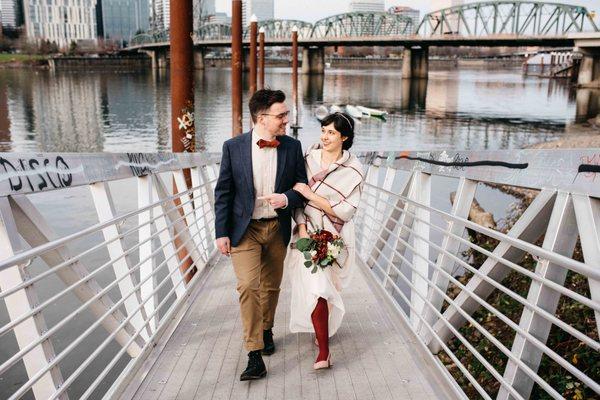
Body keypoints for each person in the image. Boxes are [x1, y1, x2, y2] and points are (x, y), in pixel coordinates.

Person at [214, 89, 308, 381]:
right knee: (247, 286)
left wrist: (287, 198)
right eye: (281, 115)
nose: (286, 120)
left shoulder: (292, 146)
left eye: (286, 115)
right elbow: (224, 192)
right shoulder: (233, 147)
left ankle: (267, 329)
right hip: (245, 230)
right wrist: (221, 233)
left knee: (271, 287)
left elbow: (302, 186)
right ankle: (254, 354)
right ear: (261, 118)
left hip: (276, 227)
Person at [288, 112, 364, 370]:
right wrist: (301, 229)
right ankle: (324, 352)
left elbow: (345, 210)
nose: (325, 136)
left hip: (336, 234)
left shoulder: (354, 169)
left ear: (344, 137)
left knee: (329, 286)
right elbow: (297, 199)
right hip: (306, 230)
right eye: (323, 130)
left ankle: (321, 331)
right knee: (317, 284)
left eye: (331, 132)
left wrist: (311, 194)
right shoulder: (308, 158)